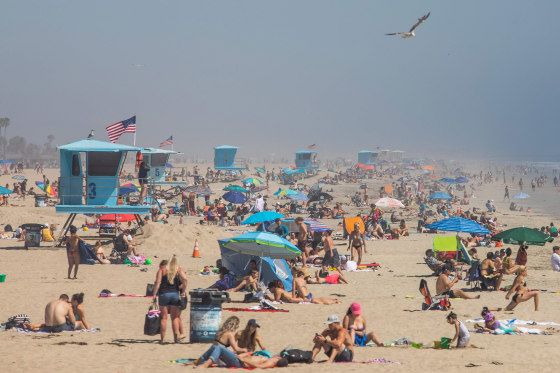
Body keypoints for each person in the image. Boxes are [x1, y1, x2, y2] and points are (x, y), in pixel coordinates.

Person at [152, 256, 188, 343]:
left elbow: (158, 282)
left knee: (163, 318)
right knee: (175, 317)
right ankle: (175, 339)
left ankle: (162, 339)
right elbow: (185, 279)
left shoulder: (162, 270)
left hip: (164, 294)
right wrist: (183, 291)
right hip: (175, 294)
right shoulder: (178, 270)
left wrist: (154, 294)